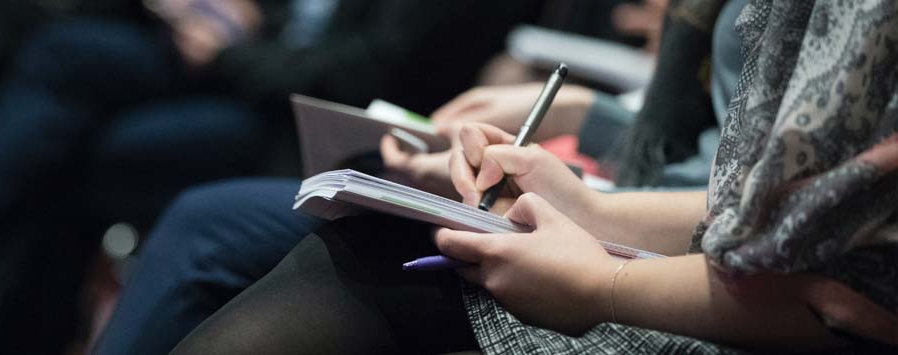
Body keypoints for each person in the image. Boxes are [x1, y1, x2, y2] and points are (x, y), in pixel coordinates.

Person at [168, 0, 897, 353]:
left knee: (328, 256)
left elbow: (843, 294)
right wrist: (584, 203)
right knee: (346, 239)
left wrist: (600, 281)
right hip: (678, 230)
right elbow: (747, 196)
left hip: (727, 308)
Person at [0, 1, 541, 354]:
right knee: (65, 66)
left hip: (302, 115)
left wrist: (234, 51)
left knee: (109, 163)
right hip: (256, 63)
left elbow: (356, 72)